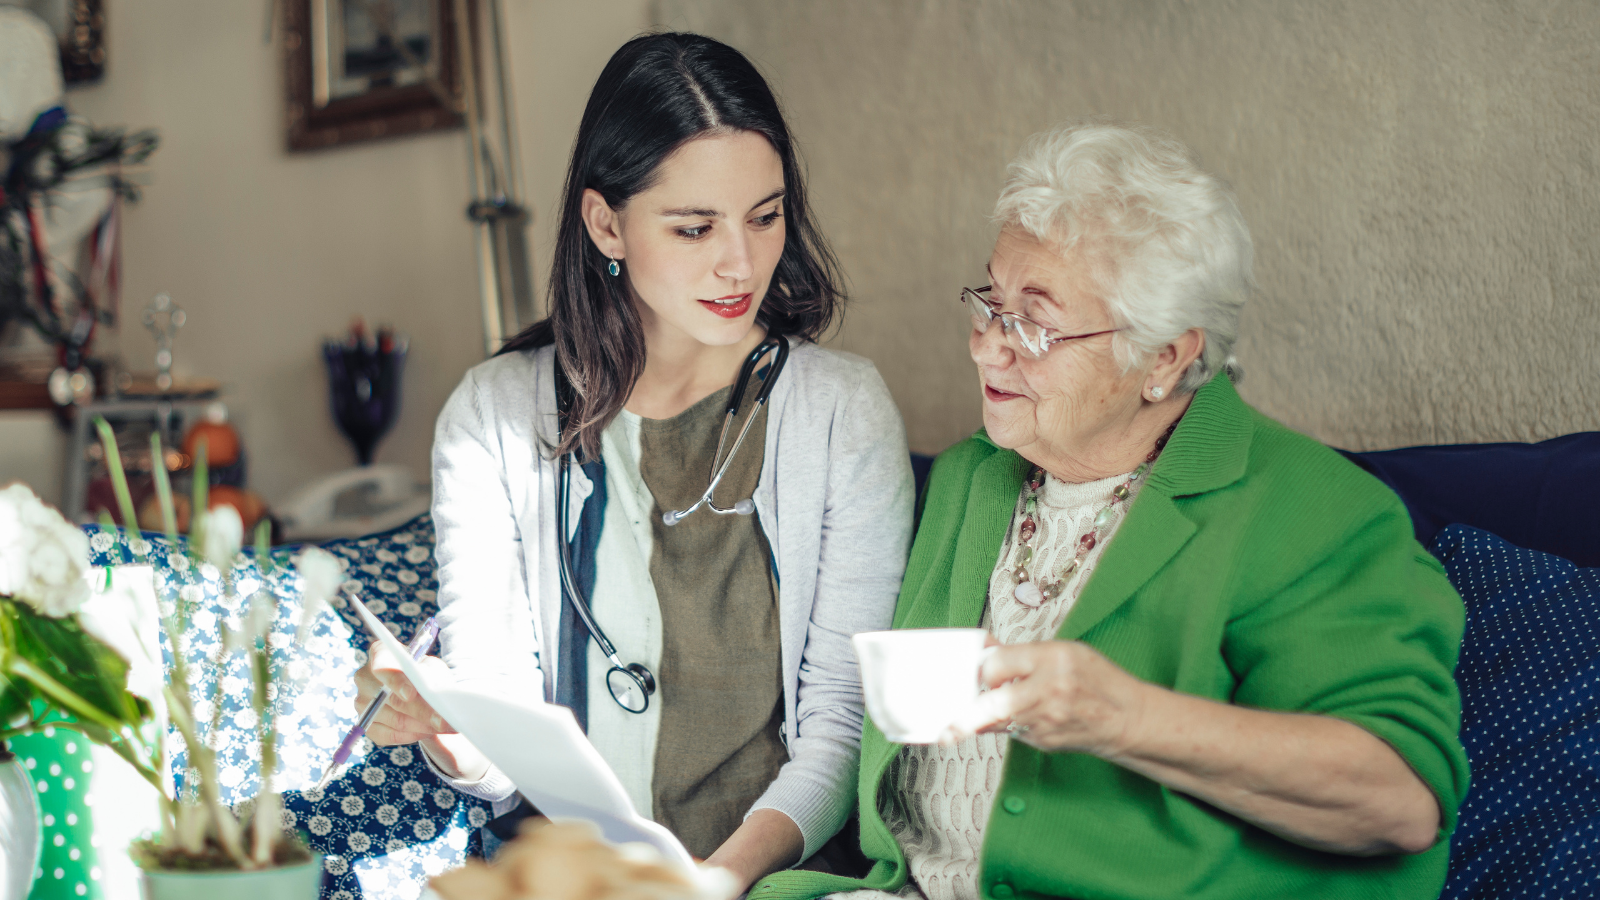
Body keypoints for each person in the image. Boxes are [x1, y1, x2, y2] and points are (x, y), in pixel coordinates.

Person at [757, 123, 1469, 900]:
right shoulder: (972, 479)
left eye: (1033, 321)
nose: (986, 347)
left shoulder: (1314, 509)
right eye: (990, 300)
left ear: (1163, 358)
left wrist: (1122, 718)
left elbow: (1397, 802)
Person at [352, 33, 914, 892]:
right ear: (605, 223)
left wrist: (714, 883)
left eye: (765, 217)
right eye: (694, 228)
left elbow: (840, 729)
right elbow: (502, 758)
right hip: (564, 879)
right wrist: (447, 726)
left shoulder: (842, 413)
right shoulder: (492, 419)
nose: (740, 262)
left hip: (767, 883)